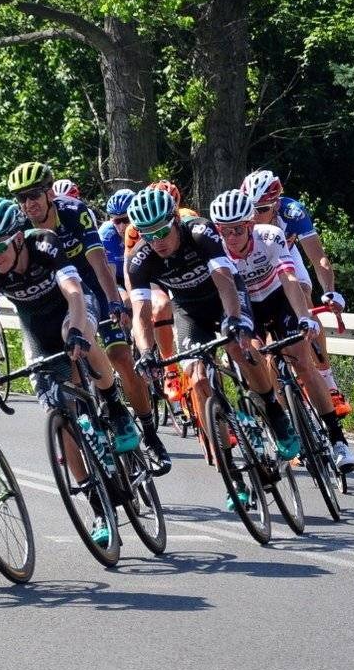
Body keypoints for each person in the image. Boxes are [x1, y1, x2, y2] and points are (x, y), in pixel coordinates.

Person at [0, 197, 134, 544]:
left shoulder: (44, 243)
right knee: (59, 415)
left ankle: (114, 405)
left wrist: (77, 332)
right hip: (36, 328)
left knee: (78, 334)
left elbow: (73, 292)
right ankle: (97, 506)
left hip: (73, 308)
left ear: (17, 238)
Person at [124, 186, 299, 498]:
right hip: (189, 311)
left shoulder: (200, 232)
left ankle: (274, 412)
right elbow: (141, 312)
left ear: (176, 220)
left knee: (240, 348)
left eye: (162, 231)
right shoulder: (140, 259)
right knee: (197, 379)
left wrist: (233, 319)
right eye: (148, 235)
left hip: (224, 297)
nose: (157, 241)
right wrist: (147, 351)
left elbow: (225, 280)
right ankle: (231, 472)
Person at [7, 162, 168, 472]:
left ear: (50, 193)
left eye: (34, 195)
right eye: (22, 198)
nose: (29, 204)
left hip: (91, 286)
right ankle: (87, 426)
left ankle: (147, 433)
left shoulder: (73, 211)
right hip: (57, 296)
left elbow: (98, 261)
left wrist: (113, 301)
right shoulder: (21, 227)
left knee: (120, 356)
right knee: (72, 369)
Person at [209, 189, 354, 472]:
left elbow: (289, 278)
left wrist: (304, 317)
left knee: (302, 362)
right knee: (255, 359)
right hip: (248, 308)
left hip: (279, 299)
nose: (231, 237)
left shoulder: (270, 236)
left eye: (238, 229)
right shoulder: (216, 251)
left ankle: (337, 439)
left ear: (250, 225)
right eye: (224, 230)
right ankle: (281, 422)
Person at [243, 169, 351, 417]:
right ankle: (282, 411)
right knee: (267, 340)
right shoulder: (242, 220)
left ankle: (328, 382)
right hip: (255, 264)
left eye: (262, 210)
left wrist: (330, 292)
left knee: (304, 299)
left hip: (285, 256)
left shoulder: (292, 212)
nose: (255, 216)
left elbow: (318, 258)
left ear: (276, 204)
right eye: (251, 209)